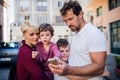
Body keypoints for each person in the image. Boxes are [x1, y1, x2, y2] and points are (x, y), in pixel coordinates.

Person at [48, 0, 107, 80]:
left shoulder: (93, 33)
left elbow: (99, 67)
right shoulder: (74, 33)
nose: (68, 24)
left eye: (70, 19)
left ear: (80, 14)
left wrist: (69, 70)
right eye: (65, 21)